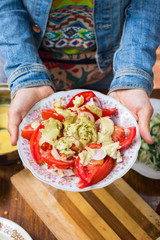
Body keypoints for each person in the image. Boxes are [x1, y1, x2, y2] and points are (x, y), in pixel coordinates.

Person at [0, 0, 159, 147]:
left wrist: (132, 74)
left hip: (105, 66)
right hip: (25, 57)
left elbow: (146, 6)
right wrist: (25, 76)